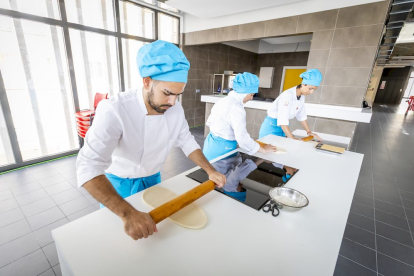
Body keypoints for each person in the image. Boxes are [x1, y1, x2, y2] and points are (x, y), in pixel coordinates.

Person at [76, 40, 226, 241]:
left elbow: (187, 142)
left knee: (158, 240)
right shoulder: (115, 109)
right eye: (167, 93)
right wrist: (128, 214)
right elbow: (88, 165)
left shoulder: (175, 108)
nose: (173, 102)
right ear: (147, 82)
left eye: (178, 95)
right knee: (118, 243)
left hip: (154, 181)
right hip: (118, 187)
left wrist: (210, 170)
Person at [202, 72, 277, 161]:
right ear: (244, 92)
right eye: (252, 94)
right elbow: (242, 138)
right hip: (223, 151)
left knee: (210, 173)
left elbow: (209, 123)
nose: (251, 98)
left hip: (210, 146)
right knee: (221, 174)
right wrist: (263, 149)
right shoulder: (237, 108)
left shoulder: (223, 100)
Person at [258, 69, 323, 141]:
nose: (311, 92)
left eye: (314, 89)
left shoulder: (302, 96)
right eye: (310, 88)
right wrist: (291, 138)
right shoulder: (287, 96)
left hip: (283, 128)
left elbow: (301, 116)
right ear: (303, 84)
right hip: (271, 127)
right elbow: (283, 119)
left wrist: (309, 132)